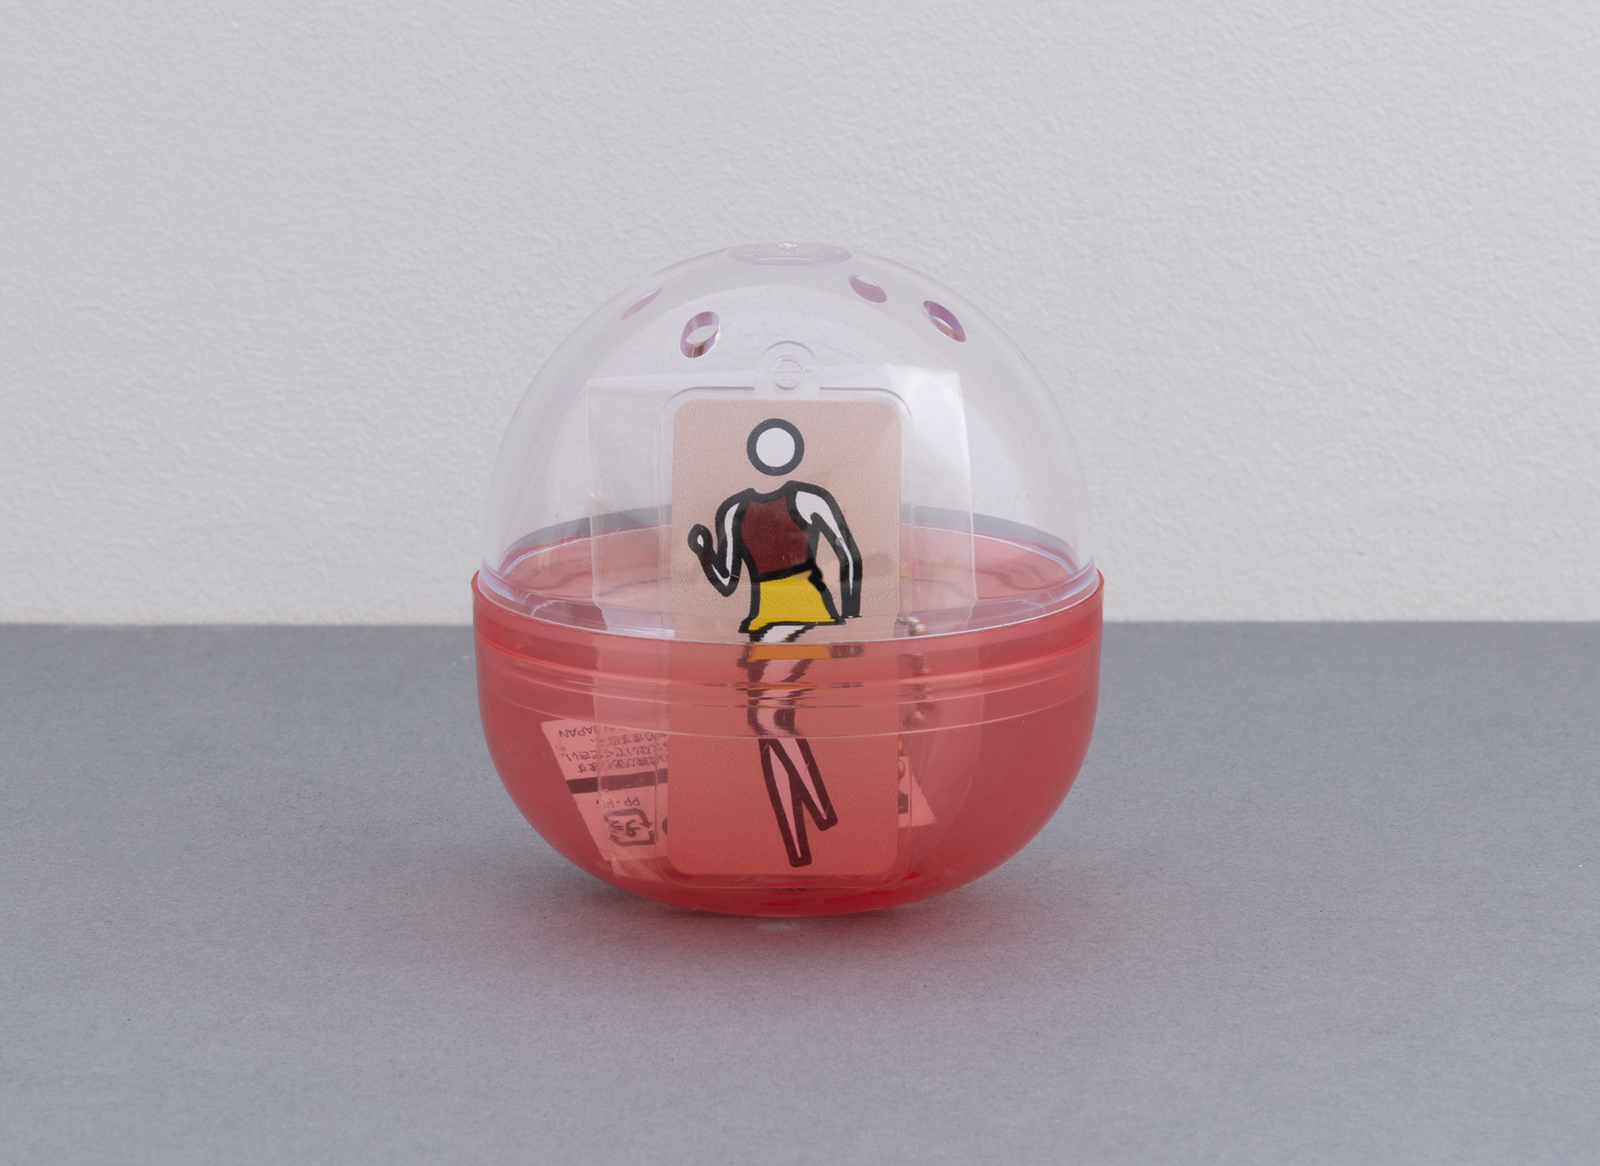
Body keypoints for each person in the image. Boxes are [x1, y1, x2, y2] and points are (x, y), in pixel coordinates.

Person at [687, 418, 863, 866]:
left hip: (804, 613)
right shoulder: (733, 509)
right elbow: (727, 581)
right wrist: (703, 550)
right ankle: (798, 848)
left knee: (764, 718)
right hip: (764, 621)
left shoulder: (807, 498)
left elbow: (847, 552)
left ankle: (823, 811)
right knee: (768, 730)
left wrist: (851, 619)